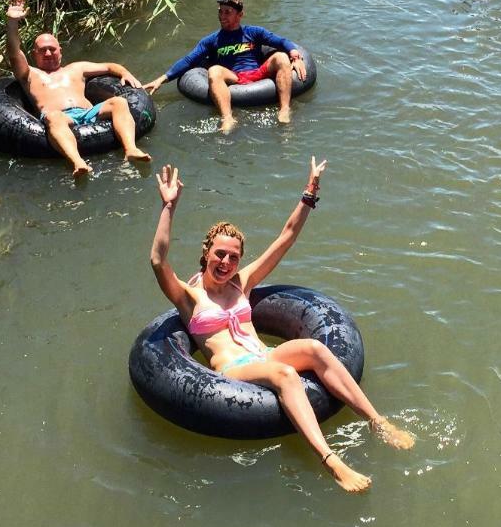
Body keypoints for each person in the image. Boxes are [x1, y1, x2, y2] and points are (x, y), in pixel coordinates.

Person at [150, 159, 415, 493]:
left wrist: (310, 191)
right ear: (206, 253)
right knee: (286, 375)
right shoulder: (188, 297)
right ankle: (330, 461)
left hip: (266, 355)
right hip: (232, 370)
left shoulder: (240, 284)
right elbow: (159, 261)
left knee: (316, 349)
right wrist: (168, 207)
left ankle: (378, 422)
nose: (226, 263)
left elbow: (285, 238)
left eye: (234, 257)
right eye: (220, 254)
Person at [4, 0, 151, 177]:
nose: (48, 53)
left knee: (119, 102)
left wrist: (124, 72)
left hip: (88, 112)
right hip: (60, 117)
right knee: (54, 117)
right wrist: (12, 22)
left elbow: (109, 66)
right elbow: (13, 52)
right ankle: (78, 162)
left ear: (60, 51)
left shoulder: (76, 68)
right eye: (42, 50)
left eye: (52, 48)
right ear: (34, 54)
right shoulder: (29, 74)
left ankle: (131, 149)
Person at [144, 0, 306, 133]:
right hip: (234, 77)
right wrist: (162, 79)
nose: (222, 16)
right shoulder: (212, 40)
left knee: (281, 57)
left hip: (258, 73)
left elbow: (282, 41)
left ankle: (284, 109)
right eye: (220, 12)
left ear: (240, 15)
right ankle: (228, 118)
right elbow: (189, 60)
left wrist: (295, 57)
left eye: (227, 12)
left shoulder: (254, 32)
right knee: (214, 70)